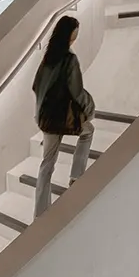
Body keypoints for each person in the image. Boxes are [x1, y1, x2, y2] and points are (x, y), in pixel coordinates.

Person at [32, 15, 96, 220]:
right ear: (70, 34)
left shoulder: (48, 57)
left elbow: (36, 86)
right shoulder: (70, 59)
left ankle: (40, 213)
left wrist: (40, 111)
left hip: (46, 118)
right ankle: (76, 176)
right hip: (62, 117)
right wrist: (90, 107)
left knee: (47, 163)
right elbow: (77, 91)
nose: (76, 36)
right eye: (75, 32)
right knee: (88, 131)